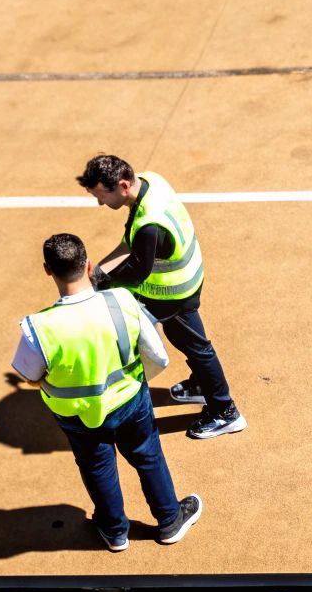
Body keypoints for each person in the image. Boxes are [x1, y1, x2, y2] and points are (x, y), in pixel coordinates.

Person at [12, 233, 204, 551]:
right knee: (148, 456)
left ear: (48, 270)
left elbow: (30, 375)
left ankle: (115, 532)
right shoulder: (122, 301)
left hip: (76, 415)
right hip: (130, 401)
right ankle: (169, 521)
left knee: (96, 466)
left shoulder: (38, 328)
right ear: (88, 265)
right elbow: (158, 356)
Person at [76, 154, 246, 439]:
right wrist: (101, 268)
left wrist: (104, 284)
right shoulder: (150, 181)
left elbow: (137, 271)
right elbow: (131, 241)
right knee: (186, 342)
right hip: (188, 277)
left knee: (197, 347)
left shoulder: (149, 222)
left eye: (102, 196)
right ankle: (202, 386)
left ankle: (225, 411)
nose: (100, 203)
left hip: (175, 293)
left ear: (122, 185)